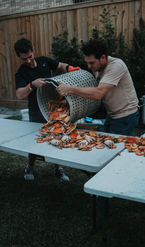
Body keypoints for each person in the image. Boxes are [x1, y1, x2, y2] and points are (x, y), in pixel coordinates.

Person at [14, 38, 79, 181]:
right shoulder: (21, 73)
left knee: (56, 136)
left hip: (53, 108)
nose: (29, 61)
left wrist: (69, 68)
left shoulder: (44, 60)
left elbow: (60, 65)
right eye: (24, 59)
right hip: (36, 110)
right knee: (34, 140)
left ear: (33, 51)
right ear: (19, 57)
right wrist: (32, 85)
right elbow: (19, 94)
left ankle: (58, 169)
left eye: (30, 56)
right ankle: (30, 166)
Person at [56, 39, 139, 136]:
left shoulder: (116, 66)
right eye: (87, 62)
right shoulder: (98, 66)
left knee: (114, 148)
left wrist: (70, 89)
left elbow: (98, 93)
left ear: (103, 57)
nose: (89, 66)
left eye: (91, 63)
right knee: (105, 143)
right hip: (112, 115)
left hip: (125, 116)